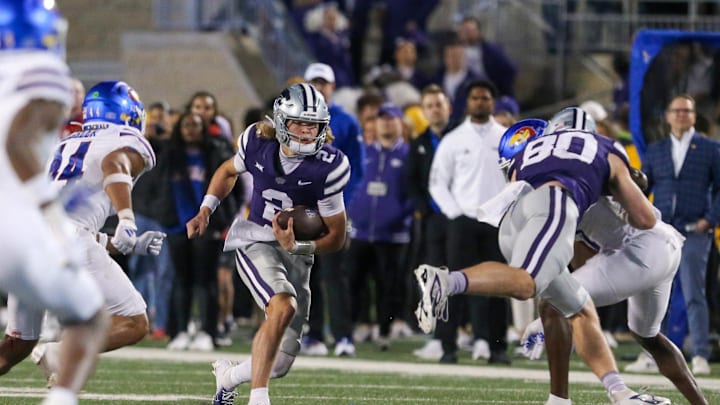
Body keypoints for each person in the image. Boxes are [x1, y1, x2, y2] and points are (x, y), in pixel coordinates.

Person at [416, 109, 670, 404]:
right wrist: (624, 190)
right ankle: (445, 282)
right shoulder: (604, 146)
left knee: (580, 308)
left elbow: (514, 175)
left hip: (512, 220)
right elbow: (645, 220)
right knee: (527, 284)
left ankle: (617, 394)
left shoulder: (532, 148)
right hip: (553, 203)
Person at [186, 83, 349, 405]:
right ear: (281, 121)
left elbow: (337, 236)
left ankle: (228, 376)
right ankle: (259, 398)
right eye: (299, 122)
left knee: (282, 361)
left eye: (313, 124)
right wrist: (206, 208)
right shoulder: (257, 142)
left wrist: (298, 247)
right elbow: (228, 170)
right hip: (255, 238)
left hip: (298, 252)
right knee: (282, 305)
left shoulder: (330, 166)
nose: (306, 131)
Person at [0, 2, 110, 404]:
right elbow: (17, 140)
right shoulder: (42, 73)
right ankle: (61, 399)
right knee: (89, 315)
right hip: (15, 224)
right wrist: (50, 213)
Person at [520, 175, 707, 404]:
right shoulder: (560, 191)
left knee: (552, 301)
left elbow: (639, 179)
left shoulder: (571, 176)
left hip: (641, 248)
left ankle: (560, 400)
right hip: (665, 247)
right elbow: (582, 258)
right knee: (648, 336)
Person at [25, 80, 167, 383]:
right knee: (134, 322)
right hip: (65, 237)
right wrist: (127, 220)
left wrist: (122, 243)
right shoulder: (126, 139)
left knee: (18, 341)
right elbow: (113, 162)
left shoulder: (66, 143)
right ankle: (60, 356)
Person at [428, 80, 510, 364]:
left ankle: (497, 347)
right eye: (475, 98)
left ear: (493, 102)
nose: (480, 102)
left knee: (499, 285)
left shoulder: (506, 139)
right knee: (452, 284)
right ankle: (448, 346)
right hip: (462, 222)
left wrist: (505, 212)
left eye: (485, 98)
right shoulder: (454, 139)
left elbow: (517, 181)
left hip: (496, 223)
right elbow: (437, 183)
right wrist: (455, 214)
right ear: (467, 103)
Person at [642, 94, 720, 376]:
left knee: (693, 293)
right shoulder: (656, 149)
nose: (681, 115)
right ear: (667, 115)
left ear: (694, 116)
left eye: (686, 111)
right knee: (656, 292)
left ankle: (699, 353)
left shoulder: (710, 148)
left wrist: (709, 219)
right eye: (676, 110)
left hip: (694, 231)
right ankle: (653, 353)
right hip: (662, 231)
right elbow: (642, 186)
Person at [301, 63, 364, 356]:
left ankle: (343, 337)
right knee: (306, 275)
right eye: (314, 82)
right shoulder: (293, 119)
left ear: (332, 87)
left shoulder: (346, 122)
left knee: (334, 276)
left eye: (323, 83)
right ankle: (313, 335)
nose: (319, 87)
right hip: (303, 211)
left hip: (333, 209)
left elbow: (357, 170)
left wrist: (341, 206)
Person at [345, 102, 414, 351]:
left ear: (400, 124)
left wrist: (401, 215)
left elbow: (414, 192)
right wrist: (351, 210)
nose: (385, 122)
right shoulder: (364, 152)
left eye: (391, 118)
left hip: (393, 234)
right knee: (354, 282)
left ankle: (384, 331)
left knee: (388, 285)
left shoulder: (408, 154)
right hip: (361, 230)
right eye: (381, 118)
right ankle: (350, 330)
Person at [406, 84, 452, 360]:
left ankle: (475, 334)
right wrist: (422, 208)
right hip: (434, 219)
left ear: (448, 107)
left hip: (461, 218)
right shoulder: (419, 143)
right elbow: (411, 182)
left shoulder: (460, 138)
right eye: (430, 105)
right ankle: (439, 336)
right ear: (424, 111)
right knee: (435, 276)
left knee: (467, 275)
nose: (435, 109)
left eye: (439, 104)